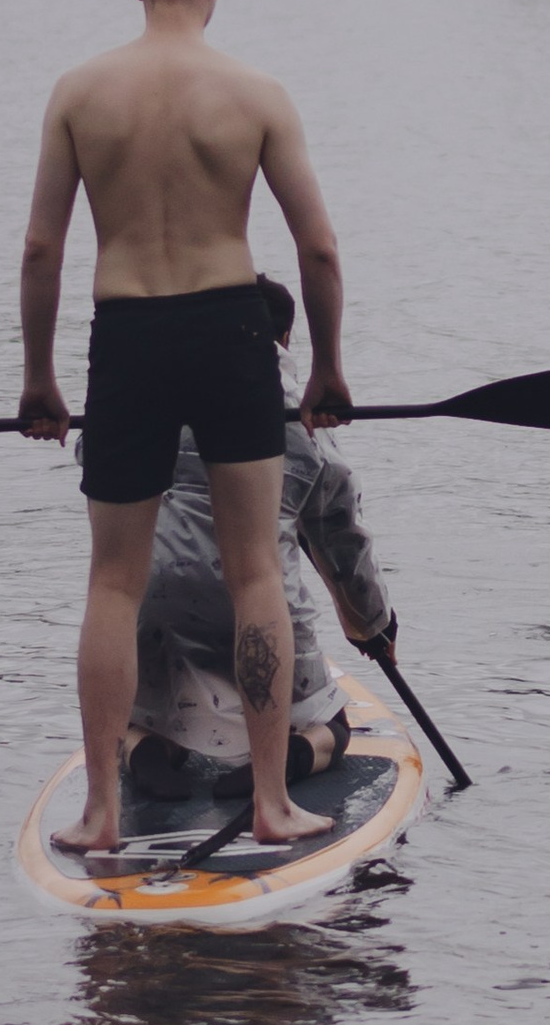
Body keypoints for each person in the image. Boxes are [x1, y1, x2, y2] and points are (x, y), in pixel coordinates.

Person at [17, 0, 349, 855]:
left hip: (126, 329)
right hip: (229, 326)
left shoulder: (79, 93)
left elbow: (42, 247)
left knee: (113, 583)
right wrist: (325, 366)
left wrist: (40, 378)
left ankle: (102, 814)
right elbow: (317, 248)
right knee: (254, 572)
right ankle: (275, 800)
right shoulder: (255, 95)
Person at [127, 277, 395, 798]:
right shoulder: (300, 421)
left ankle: (148, 755)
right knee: (333, 727)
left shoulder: (148, 397)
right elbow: (340, 539)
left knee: (133, 715)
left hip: (152, 603)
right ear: (287, 338)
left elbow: (96, 461)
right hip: (259, 604)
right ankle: (290, 756)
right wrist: (372, 625)